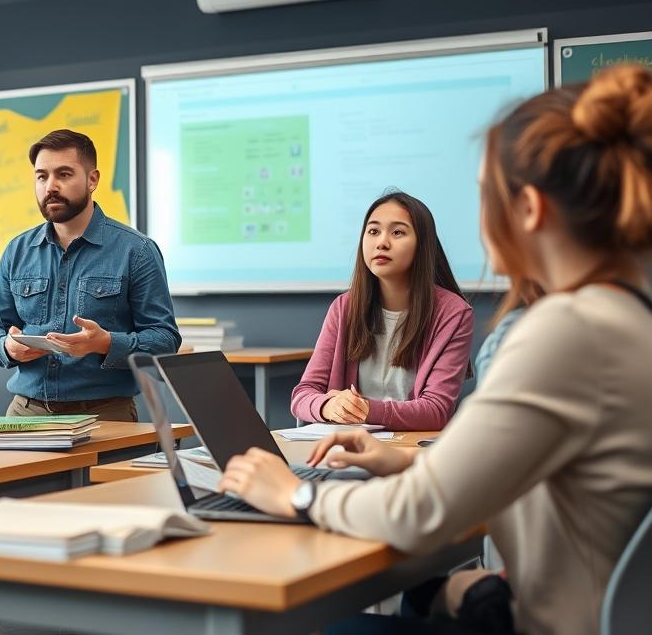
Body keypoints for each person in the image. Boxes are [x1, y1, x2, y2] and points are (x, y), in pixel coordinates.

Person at [219, 65, 652, 635]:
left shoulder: (566, 332)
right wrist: (398, 458)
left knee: (336, 628)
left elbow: (417, 514)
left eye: (482, 196)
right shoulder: (625, 315)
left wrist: (296, 496)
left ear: (528, 209)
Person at [0, 129, 180, 422]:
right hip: (26, 411)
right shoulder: (17, 250)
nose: (51, 186)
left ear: (92, 180)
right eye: (41, 176)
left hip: (105, 414)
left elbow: (165, 340)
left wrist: (104, 343)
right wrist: (6, 348)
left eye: (63, 174)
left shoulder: (136, 251)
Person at [290, 192, 473, 431]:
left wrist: (366, 409)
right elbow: (303, 395)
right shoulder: (344, 307)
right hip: (347, 448)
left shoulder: (453, 313)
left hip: (412, 453)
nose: (382, 243)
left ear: (423, 244)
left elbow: (436, 410)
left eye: (397, 232)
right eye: (373, 231)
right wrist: (328, 405)